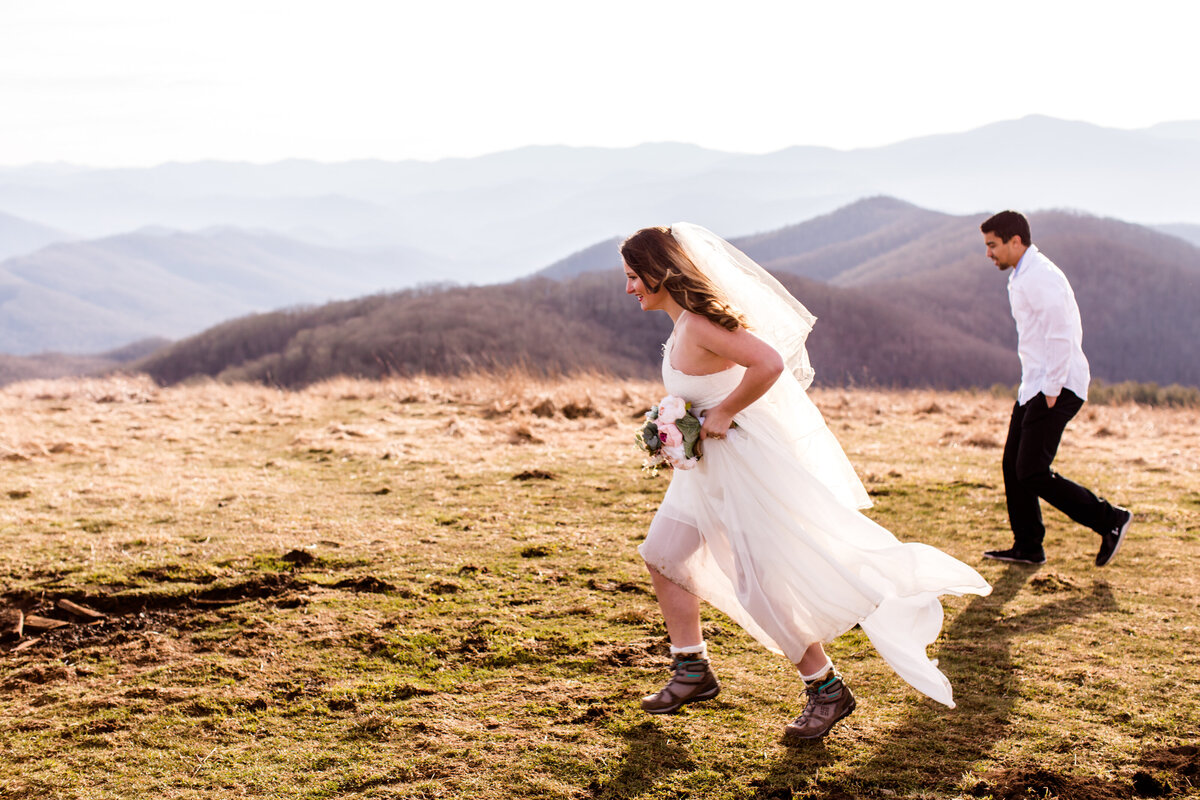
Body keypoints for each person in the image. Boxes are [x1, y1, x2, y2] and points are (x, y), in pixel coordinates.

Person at [620, 223, 991, 741]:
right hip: (705, 471)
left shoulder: (701, 324)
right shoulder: (682, 327)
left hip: (741, 467)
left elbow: (768, 363)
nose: (630, 287)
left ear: (659, 273)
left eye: (635, 276)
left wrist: (724, 412)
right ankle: (692, 669)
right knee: (662, 552)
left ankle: (826, 688)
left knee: (758, 583)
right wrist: (673, 428)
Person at [980, 210, 1132, 567]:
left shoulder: (1041, 277)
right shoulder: (1022, 273)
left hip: (1057, 386)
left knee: (1031, 470)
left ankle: (1111, 520)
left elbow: (1061, 333)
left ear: (1016, 241)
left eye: (993, 245)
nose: (988, 253)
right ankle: (1028, 546)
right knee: (1013, 466)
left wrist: (1050, 390)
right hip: (1034, 386)